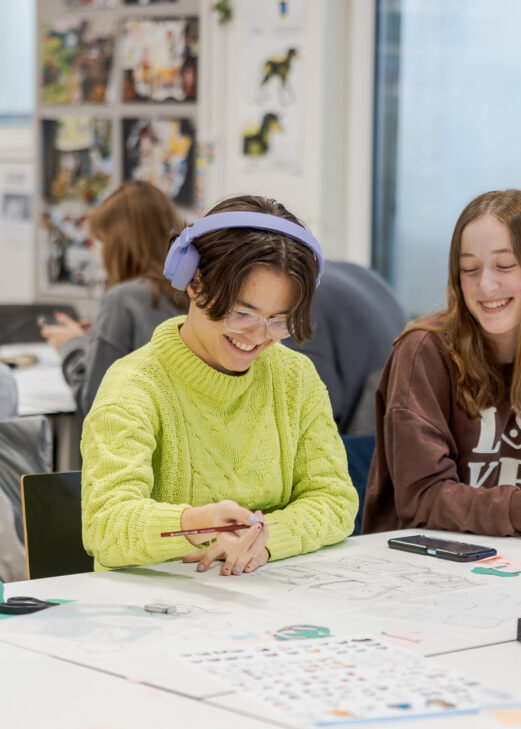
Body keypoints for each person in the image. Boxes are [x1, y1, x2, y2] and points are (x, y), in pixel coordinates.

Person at [81, 194, 357, 575]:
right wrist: (195, 525)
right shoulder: (134, 386)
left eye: (279, 320)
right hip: (151, 604)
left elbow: (335, 499)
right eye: (242, 313)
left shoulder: (296, 378)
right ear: (194, 282)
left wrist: (263, 541)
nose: (258, 337)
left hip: (261, 597)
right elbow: (106, 525)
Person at [363, 189, 521, 544]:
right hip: (418, 558)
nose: (486, 285)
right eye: (470, 269)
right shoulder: (423, 351)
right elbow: (423, 498)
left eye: (504, 266)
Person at [40, 180, 188, 419]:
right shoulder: (190, 292)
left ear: (120, 242)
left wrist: (72, 345)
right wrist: (101, 336)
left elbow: (96, 405)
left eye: (102, 241)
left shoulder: (122, 300)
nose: (99, 252)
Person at [283, 260, 406, 433]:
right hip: (400, 405)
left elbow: (309, 416)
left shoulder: (298, 302)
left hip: (371, 427)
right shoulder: (338, 272)